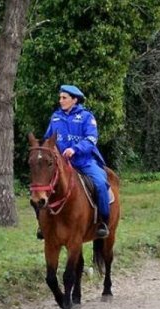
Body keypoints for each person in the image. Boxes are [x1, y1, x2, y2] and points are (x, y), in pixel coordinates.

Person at [35, 85, 110, 239]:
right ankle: (42, 225)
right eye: (60, 97)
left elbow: (91, 139)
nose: (60, 101)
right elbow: (48, 139)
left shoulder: (87, 117)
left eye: (64, 98)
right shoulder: (55, 117)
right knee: (38, 187)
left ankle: (102, 222)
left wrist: (75, 149)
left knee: (101, 184)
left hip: (84, 162)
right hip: (60, 165)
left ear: (74, 100)